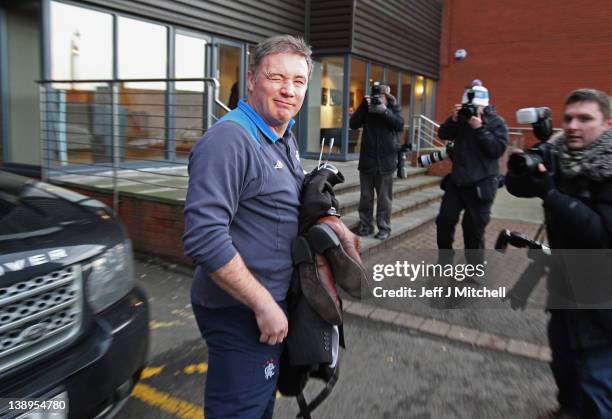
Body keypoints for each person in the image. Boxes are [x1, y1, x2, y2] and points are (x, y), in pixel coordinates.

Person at [183, 35, 311, 419]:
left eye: (300, 81)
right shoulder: (229, 140)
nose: (289, 90)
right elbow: (204, 238)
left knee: (259, 404)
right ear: (252, 79)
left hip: (270, 304)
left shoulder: (281, 136)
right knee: (240, 411)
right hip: (241, 312)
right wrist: (263, 305)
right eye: (277, 77)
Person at [506, 89, 612, 419]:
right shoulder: (560, 153)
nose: (574, 126)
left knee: (596, 377)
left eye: (585, 119)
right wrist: (533, 163)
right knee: (564, 361)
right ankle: (568, 410)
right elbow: (514, 184)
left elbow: (601, 234)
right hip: (565, 286)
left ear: (607, 124)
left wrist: (550, 194)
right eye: (569, 119)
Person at [436, 80, 508, 265]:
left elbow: (496, 150)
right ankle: (444, 261)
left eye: (477, 107)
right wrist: (453, 119)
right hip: (457, 182)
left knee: (473, 229)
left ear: (485, 106)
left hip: (482, 186)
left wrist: (480, 129)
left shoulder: (497, 123)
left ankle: (474, 267)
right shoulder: (460, 119)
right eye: (470, 107)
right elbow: (443, 134)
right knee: (444, 222)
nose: (473, 111)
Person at [350, 82, 404, 240]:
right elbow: (353, 124)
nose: (378, 100)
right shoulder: (367, 108)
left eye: (381, 97)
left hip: (386, 162)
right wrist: (362, 106)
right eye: (376, 97)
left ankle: (384, 228)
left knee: (384, 199)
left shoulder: (393, 108)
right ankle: (366, 226)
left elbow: (399, 125)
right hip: (367, 161)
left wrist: (385, 111)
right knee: (365, 198)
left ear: (387, 98)